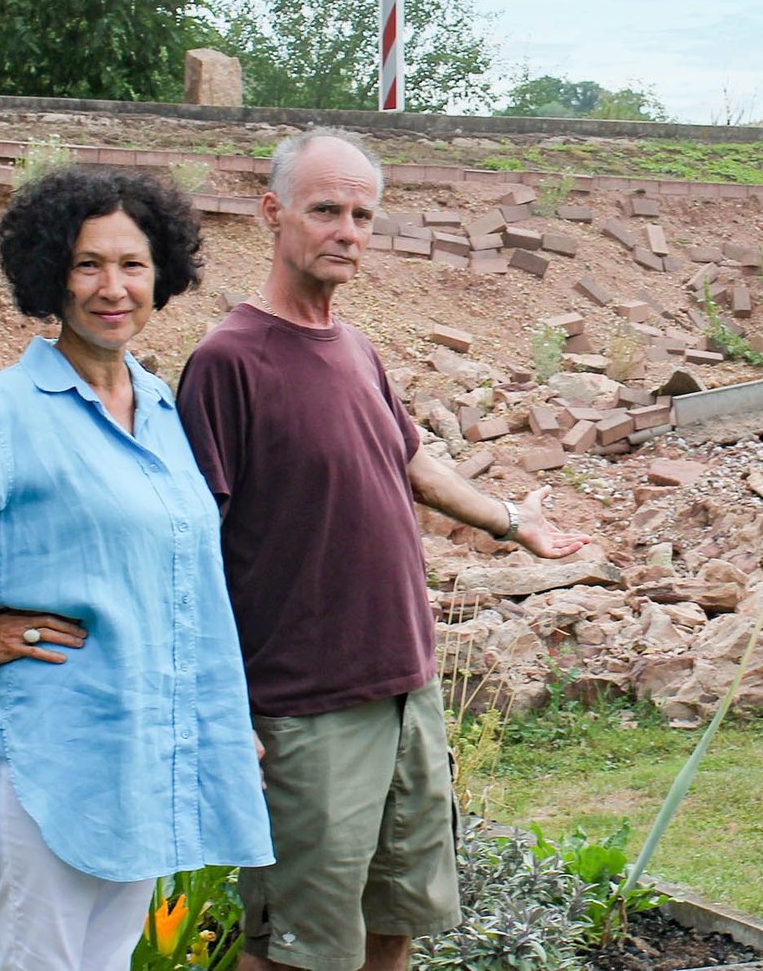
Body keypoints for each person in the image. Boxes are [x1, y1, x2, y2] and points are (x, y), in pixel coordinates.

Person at [176, 128, 590, 971]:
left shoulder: (355, 347)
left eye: (363, 213)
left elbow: (412, 461)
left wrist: (513, 519)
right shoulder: (228, 362)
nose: (347, 230)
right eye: (325, 209)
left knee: (393, 926)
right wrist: (220, 709)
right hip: (304, 707)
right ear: (273, 212)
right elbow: (190, 552)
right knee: (298, 948)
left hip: (405, 687)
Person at [0, 167, 272, 970]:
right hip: (53, 760)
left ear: (162, 273)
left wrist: (219, 725)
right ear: (51, 274)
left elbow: (181, 591)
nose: (112, 287)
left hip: (139, 759)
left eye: (132, 264)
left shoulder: (160, 407)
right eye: (87, 264)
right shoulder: (11, 411)